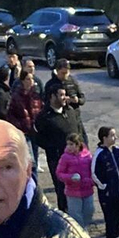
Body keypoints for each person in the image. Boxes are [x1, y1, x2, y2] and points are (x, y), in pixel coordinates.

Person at [36, 85, 86, 213]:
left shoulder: (70, 111)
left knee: (80, 187)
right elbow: (38, 138)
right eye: (61, 95)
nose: (65, 98)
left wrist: (83, 149)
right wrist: (54, 148)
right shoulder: (44, 117)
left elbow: (79, 130)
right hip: (58, 160)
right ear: (52, 97)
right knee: (62, 190)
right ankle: (65, 214)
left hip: (78, 158)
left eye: (65, 95)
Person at [55, 133, 95, 230]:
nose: (69, 147)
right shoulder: (65, 157)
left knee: (89, 211)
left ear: (78, 144)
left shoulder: (87, 155)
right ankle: (80, 232)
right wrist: (70, 177)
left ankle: (84, 228)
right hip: (72, 191)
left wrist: (91, 181)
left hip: (87, 189)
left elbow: (93, 170)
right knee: (75, 214)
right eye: (68, 144)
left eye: (71, 144)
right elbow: (59, 173)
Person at [7, 74, 45, 175]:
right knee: (30, 162)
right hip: (24, 132)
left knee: (35, 159)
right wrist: (19, 127)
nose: (31, 81)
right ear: (23, 81)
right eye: (28, 79)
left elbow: (41, 110)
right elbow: (11, 115)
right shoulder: (16, 96)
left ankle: (34, 181)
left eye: (32, 79)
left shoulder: (36, 95)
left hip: (35, 131)